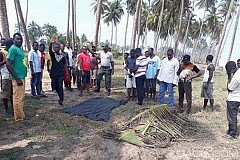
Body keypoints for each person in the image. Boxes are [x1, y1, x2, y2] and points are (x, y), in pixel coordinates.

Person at [6, 33, 28, 121]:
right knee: (17, 98)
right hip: (17, 78)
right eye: (18, 39)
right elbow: (8, 64)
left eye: (21, 39)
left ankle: (21, 114)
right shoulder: (13, 49)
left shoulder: (19, 49)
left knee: (21, 97)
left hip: (22, 77)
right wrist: (17, 78)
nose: (20, 40)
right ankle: (18, 117)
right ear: (14, 40)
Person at [49, 36, 66, 105]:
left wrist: (65, 73)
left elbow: (64, 65)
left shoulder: (62, 56)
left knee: (60, 86)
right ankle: (60, 97)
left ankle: (61, 99)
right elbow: (50, 51)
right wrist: (51, 43)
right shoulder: (53, 55)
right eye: (55, 47)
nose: (56, 48)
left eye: (57, 47)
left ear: (59, 48)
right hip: (54, 73)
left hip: (60, 74)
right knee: (55, 86)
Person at [225, 61, 240, 139]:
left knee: (232, 117)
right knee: (232, 116)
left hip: (234, 99)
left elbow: (230, 88)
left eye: (228, 70)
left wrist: (229, 77)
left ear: (231, 69)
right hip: (237, 97)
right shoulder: (237, 73)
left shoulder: (236, 77)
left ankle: (232, 134)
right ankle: (230, 131)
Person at [0, 38, 13, 115]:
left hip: (11, 75)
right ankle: (6, 108)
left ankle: (12, 107)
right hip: (5, 76)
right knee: (6, 93)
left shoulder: (10, 52)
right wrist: (6, 62)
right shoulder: (2, 53)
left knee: (11, 92)